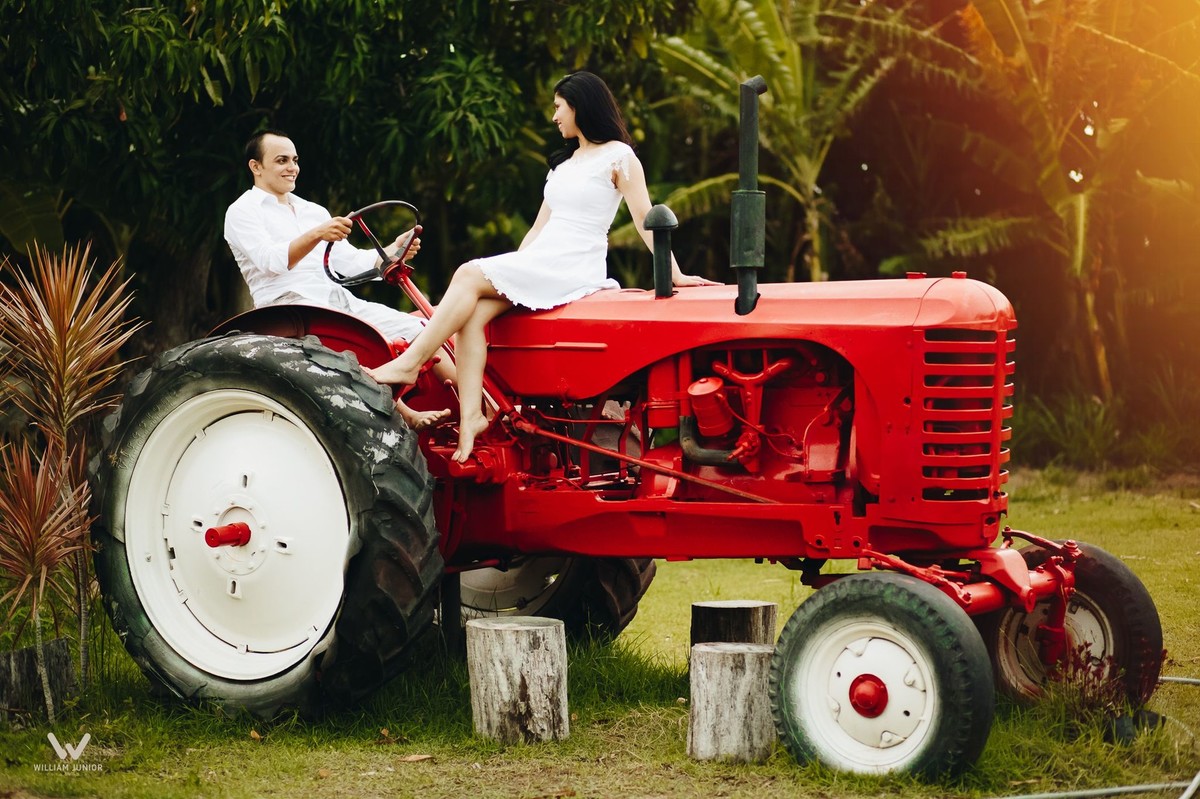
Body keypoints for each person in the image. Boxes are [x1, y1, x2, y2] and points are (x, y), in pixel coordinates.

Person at [367, 71, 717, 461]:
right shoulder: (564, 164)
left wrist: (675, 273)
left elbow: (644, 217)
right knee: (472, 314)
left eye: (558, 107)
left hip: (574, 262)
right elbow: (537, 227)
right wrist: (510, 270)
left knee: (467, 271)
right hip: (542, 260)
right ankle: (472, 418)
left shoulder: (620, 156)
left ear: (579, 105)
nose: (554, 117)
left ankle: (410, 363)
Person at [224, 130, 452, 430]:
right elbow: (271, 261)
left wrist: (393, 251)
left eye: (294, 160)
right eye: (281, 161)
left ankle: (484, 409)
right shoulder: (242, 211)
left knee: (426, 328)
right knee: (351, 347)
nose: (292, 167)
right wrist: (317, 234)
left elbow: (349, 261)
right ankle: (407, 414)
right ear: (256, 167)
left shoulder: (311, 210)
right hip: (289, 307)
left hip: (335, 301)